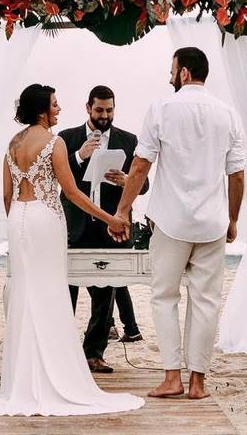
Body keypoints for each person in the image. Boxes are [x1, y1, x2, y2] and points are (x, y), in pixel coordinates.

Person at [0, 84, 143, 419]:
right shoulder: (55, 142)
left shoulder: (13, 143)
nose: (59, 109)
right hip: (45, 220)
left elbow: (7, 195)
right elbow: (73, 193)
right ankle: (55, 373)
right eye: (54, 104)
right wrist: (111, 217)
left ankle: (22, 376)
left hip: (19, 220)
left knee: (25, 293)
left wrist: (17, 222)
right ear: (41, 110)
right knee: (50, 294)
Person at [115, 47, 246, 400]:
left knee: (164, 297)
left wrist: (124, 210)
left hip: (171, 220)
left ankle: (172, 377)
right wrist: (232, 219)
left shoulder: (161, 108)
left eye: (172, 70)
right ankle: (198, 383)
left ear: (184, 73)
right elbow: (236, 175)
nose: (169, 76)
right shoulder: (228, 114)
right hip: (212, 223)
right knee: (206, 300)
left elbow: (141, 164)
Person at [59, 85, 148, 372]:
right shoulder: (66, 139)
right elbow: (57, 180)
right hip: (74, 226)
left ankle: (93, 353)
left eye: (109, 110)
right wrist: (79, 157)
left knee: (107, 292)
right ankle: (62, 350)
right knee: (66, 290)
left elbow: (143, 184)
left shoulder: (129, 140)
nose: (105, 115)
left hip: (114, 226)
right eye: (99, 110)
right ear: (88, 108)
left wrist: (126, 182)